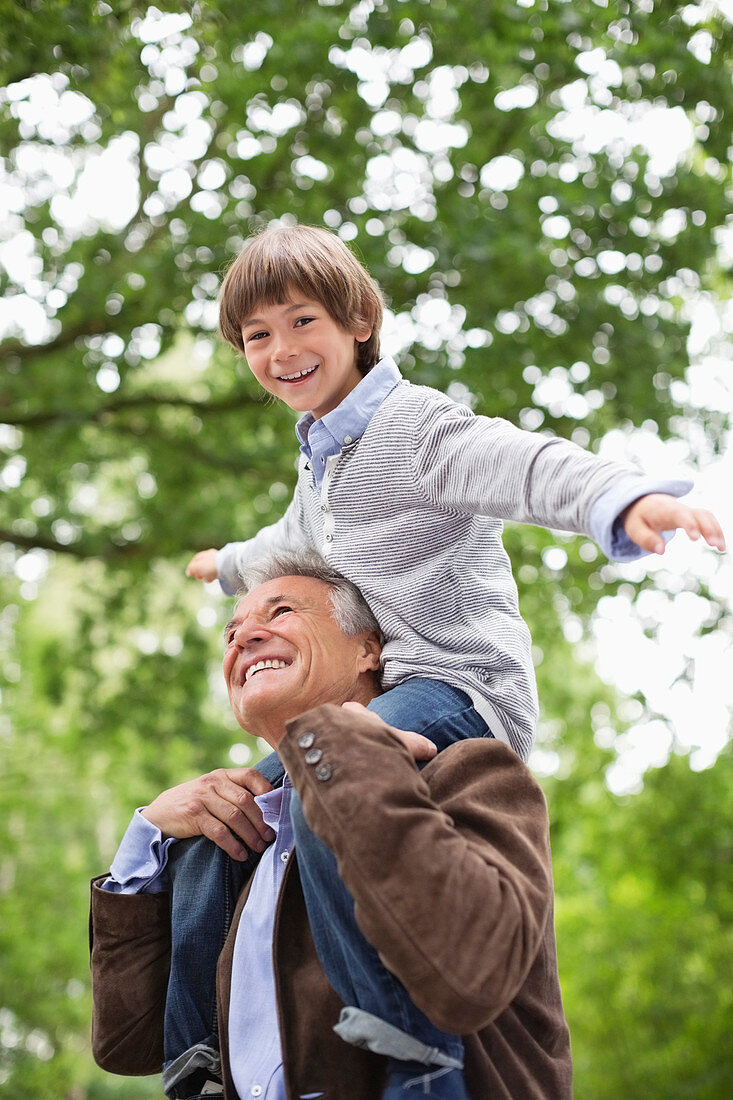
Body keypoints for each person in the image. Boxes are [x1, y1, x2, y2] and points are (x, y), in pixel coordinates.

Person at [180, 224, 724, 1093]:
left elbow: (525, 466)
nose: (280, 350)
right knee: (226, 825)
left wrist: (621, 503)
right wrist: (229, 567)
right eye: (257, 336)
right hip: (390, 698)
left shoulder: (411, 427)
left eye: (301, 321)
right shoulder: (320, 463)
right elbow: (288, 540)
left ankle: (406, 1039)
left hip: (461, 689)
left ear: (359, 320)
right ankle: (196, 1054)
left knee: (328, 775)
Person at [90, 553, 574, 1099]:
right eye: (231, 632)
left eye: (281, 612)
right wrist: (147, 836)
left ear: (369, 648)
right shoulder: (234, 849)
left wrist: (344, 754)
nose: (243, 637)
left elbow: (469, 977)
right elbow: (127, 1042)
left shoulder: (469, 773)